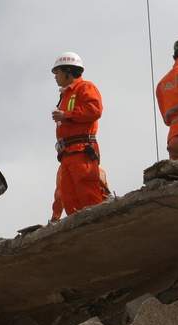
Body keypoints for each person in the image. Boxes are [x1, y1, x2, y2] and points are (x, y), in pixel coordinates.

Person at [51, 52, 108, 216]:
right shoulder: (66, 94)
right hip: (68, 153)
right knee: (69, 198)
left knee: (88, 195)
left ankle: (97, 231)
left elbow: (95, 110)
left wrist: (66, 115)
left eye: (58, 72)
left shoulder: (85, 87)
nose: (56, 77)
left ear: (68, 71)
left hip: (82, 151)